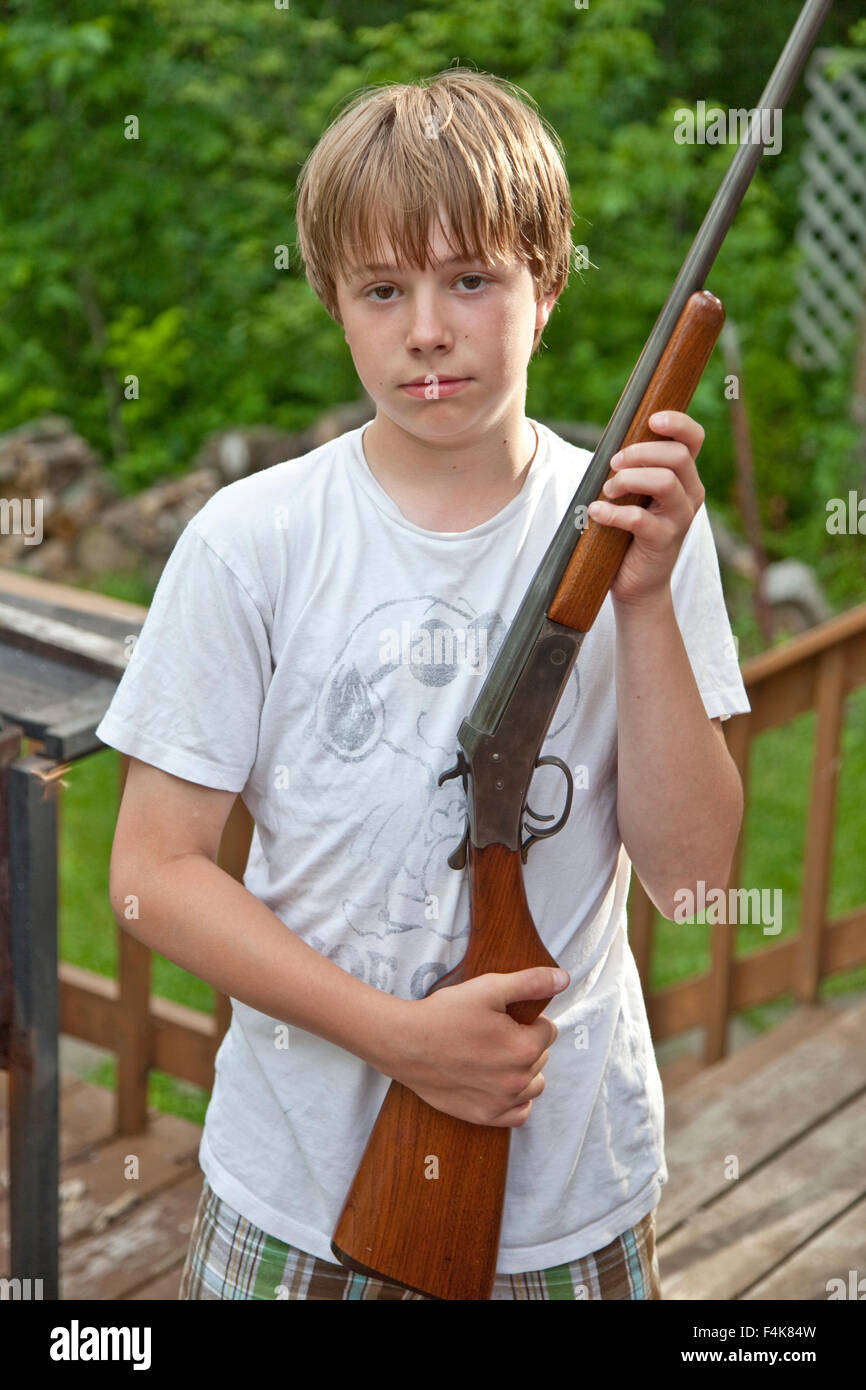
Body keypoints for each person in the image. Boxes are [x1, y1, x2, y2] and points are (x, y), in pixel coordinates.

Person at [97, 67, 750, 1301]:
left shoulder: (639, 534)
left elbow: (699, 880)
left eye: (471, 279)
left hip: (564, 1195)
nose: (427, 331)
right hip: (292, 1186)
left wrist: (648, 599)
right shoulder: (253, 540)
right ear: (333, 302)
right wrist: (403, 1040)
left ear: (545, 285)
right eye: (383, 289)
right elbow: (151, 875)